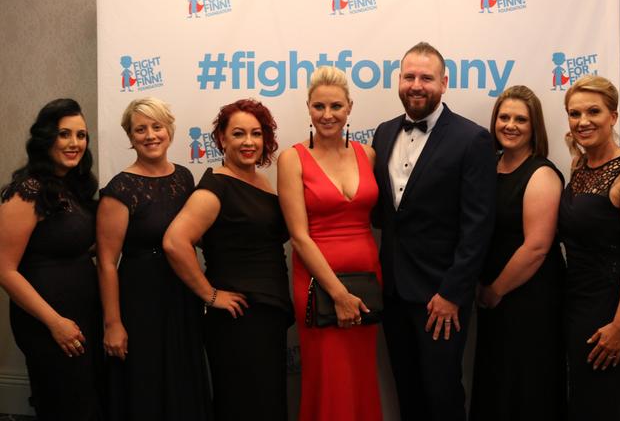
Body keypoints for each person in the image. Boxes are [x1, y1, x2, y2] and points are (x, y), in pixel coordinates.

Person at [372, 42, 496, 421]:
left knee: (441, 393)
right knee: (407, 390)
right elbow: (386, 214)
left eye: (426, 77)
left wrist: (452, 293)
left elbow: (478, 225)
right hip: (392, 290)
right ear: (399, 81)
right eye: (409, 76)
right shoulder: (383, 132)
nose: (416, 84)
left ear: (444, 83)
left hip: (440, 297)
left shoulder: (471, 139)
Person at [164, 99, 292, 421]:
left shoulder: (261, 182)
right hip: (239, 317)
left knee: (266, 402)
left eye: (256, 134)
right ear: (222, 138)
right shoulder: (215, 186)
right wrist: (210, 294)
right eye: (238, 134)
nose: (248, 142)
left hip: (267, 311)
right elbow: (175, 242)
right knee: (243, 405)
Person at [96, 97, 211, 421]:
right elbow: (106, 261)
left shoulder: (185, 178)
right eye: (140, 129)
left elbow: (193, 236)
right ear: (131, 137)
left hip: (181, 294)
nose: (150, 135)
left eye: (156, 127)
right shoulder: (120, 188)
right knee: (145, 383)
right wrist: (113, 323)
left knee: (181, 378)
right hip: (139, 300)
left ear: (169, 130)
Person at [278, 66, 382, 421]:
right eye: (319, 106)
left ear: (350, 107)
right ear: (308, 107)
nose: (327, 115)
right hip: (318, 285)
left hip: (368, 280)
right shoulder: (292, 159)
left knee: (360, 374)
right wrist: (338, 294)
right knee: (329, 376)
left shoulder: (367, 154)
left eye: (336, 106)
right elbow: (299, 236)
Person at [0, 98, 103, 420]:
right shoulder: (27, 190)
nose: (75, 143)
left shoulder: (74, 188)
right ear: (47, 138)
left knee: (85, 403)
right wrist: (55, 322)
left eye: (81, 135)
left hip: (83, 316)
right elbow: (4, 269)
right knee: (64, 405)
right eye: (64, 134)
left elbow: (70, 246)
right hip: (49, 323)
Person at [469, 86, 566, 420]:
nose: (510, 125)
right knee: (497, 380)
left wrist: (495, 290)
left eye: (520, 119)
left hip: (528, 298)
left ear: (534, 126)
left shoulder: (541, 173)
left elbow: (537, 247)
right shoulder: (491, 166)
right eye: (504, 117)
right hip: (493, 297)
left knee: (525, 384)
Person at [559, 75, 620, 421]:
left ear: (613, 116)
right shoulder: (580, 166)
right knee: (582, 399)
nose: (583, 121)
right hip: (576, 301)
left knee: (605, 402)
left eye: (593, 111)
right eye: (574, 113)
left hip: (611, 309)